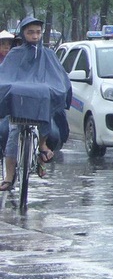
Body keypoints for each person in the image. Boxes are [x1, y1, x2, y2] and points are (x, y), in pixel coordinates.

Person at [0, 16, 71, 191]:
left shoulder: (48, 54)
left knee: (52, 127)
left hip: (42, 106)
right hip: (19, 107)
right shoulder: (15, 54)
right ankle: (9, 177)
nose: (35, 36)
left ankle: (42, 148)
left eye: (38, 32)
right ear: (23, 34)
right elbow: (5, 76)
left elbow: (59, 79)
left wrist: (56, 89)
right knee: (12, 133)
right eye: (30, 32)